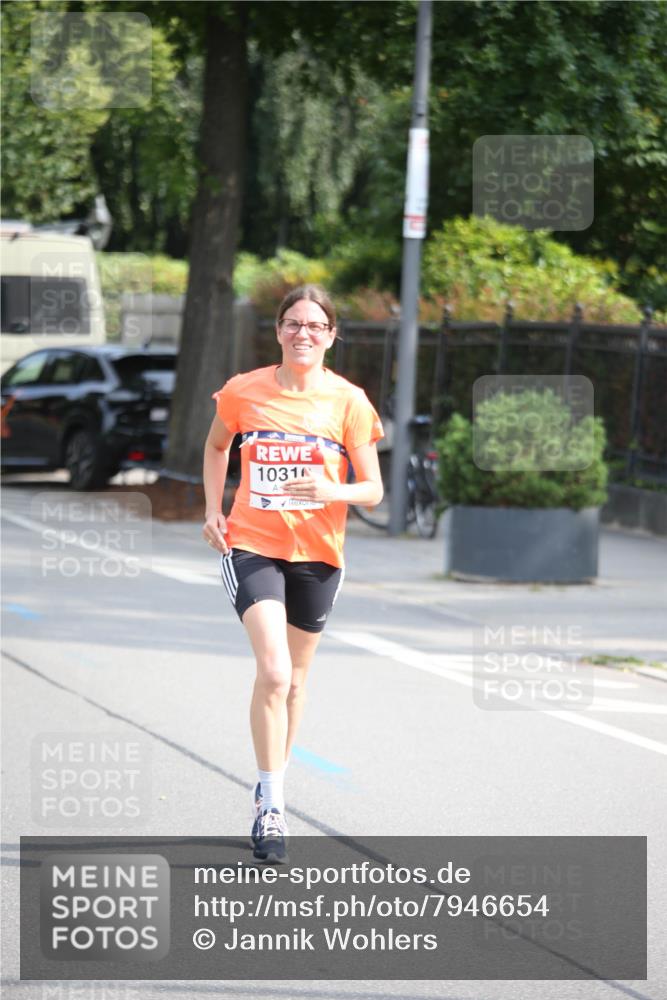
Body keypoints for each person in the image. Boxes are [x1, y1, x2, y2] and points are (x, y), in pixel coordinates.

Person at [202, 284, 384, 863]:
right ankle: (271, 802)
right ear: (278, 330)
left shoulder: (349, 401)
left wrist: (332, 487)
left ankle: (270, 781)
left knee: (298, 682)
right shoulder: (243, 391)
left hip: (319, 554)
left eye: (315, 325)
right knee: (275, 673)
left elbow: (374, 490)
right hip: (253, 543)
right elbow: (215, 446)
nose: (303, 333)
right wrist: (212, 510)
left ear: (331, 336)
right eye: (292, 323)